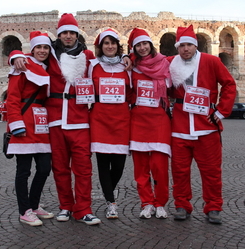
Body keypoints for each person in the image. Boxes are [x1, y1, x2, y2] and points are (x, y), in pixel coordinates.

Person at [12, 13, 104, 225]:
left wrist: (127, 57)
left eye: (72, 32)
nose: (69, 36)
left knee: (83, 168)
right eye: (64, 33)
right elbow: (30, 53)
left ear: (77, 34)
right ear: (59, 34)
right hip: (54, 120)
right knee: (60, 168)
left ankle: (83, 209)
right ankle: (65, 206)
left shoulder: (88, 55)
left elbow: (109, 60)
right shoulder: (50, 54)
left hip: (80, 119)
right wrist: (15, 54)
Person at [168, 25, 236, 224]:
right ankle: (181, 204)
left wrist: (221, 110)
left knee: (211, 171)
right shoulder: (171, 62)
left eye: (189, 45)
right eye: (181, 46)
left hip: (206, 126)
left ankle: (213, 206)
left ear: (195, 46)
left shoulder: (211, 61)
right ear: (177, 47)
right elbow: (148, 61)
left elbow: (229, 84)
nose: (185, 49)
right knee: (179, 171)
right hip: (180, 127)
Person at [7, 31, 54, 226]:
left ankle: (34, 205)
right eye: (39, 48)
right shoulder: (22, 66)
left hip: (41, 123)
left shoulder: (48, 67)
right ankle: (24, 210)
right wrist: (16, 124)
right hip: (24, 122)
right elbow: (13, 98)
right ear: (32, 49)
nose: (42, 51)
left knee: (44, 168)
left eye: (45, 47)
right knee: (23, 171)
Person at [127, 28, 171, 219]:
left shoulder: (166, 63)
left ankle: (160, 202)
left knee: (160, 167)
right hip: (138, 121)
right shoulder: (131, 67)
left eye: (145, 44)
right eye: (138, 45)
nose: (142, 48)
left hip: (160, 120)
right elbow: (127, 92)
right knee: (141, 168)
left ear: (151, 44)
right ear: (134, 48)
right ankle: (146, 202)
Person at [88, 29, 131, 219]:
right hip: (100, 118)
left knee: (119, 165)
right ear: (100, 46)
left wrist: (130, 55)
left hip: (122, 118)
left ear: (118, 46)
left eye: (113, 43)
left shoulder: (127, 65)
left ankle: (107, 193)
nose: (110, 46)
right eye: (106, 43)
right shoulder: (92, 66)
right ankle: (111, 201)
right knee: (103, 164)